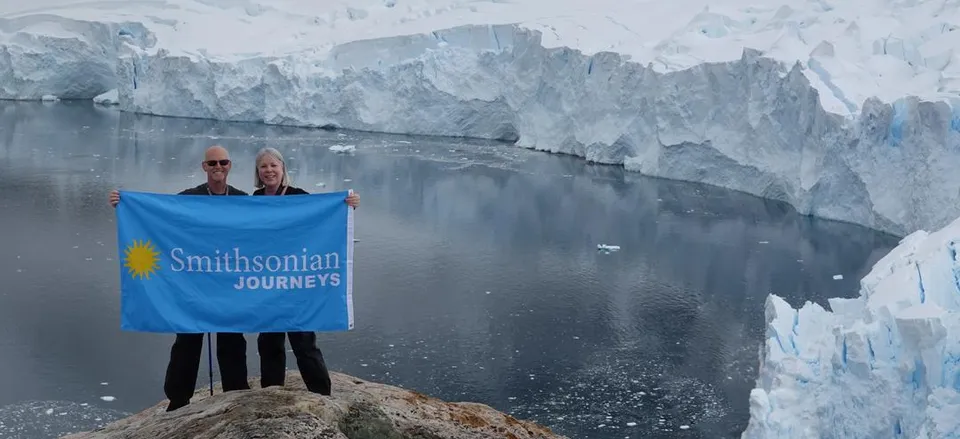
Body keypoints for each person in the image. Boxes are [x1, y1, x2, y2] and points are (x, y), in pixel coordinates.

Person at [108, 144, 251, 411]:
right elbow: (160, 216)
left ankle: (235, 392)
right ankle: (178, 398)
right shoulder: (189, 197)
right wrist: (124, 203)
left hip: (229, 284)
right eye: (212, 163)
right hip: (193, 282)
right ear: (204, 167)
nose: (218, 167)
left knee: (232, 338)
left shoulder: (242, 199)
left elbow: (272, 221)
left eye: (223, 162)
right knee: (188, 339)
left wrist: (340, 206)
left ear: (230, 165)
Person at [252, 146, 359, 395]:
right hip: (266, 282)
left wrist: (348, 206)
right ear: (258, 172)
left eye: (273, 165)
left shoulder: (299, 195)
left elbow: (323, 217)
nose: (269, 171)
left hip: (296, 282)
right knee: (269, 341)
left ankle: (321, 394)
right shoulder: (253, 199)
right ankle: (271, 393)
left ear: (282, 169)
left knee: (303, 342)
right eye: (263, 166)